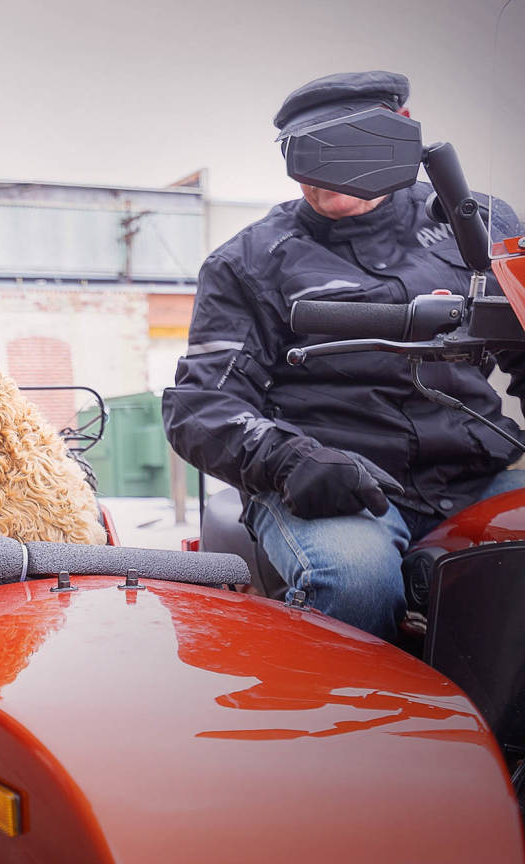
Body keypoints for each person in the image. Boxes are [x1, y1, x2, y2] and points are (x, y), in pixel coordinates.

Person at [162, 70, 525, 641]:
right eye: (303, 155)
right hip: (336, 487)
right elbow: (201, 407)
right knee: (356, 581)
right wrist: (292, 461)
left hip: (476, 473)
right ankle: (352, 725)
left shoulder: (479, 224)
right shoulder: (249, 261)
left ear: (398, 134)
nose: (320, 176)